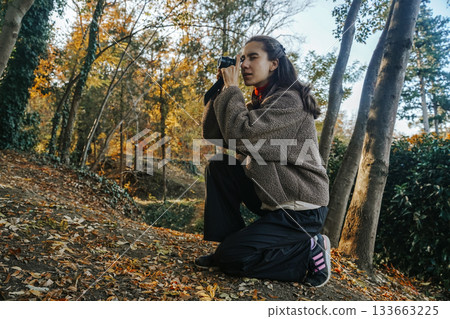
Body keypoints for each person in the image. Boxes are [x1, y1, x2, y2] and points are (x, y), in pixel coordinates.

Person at [196, 35, 331, 287]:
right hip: (274, 196)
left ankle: (308, 253)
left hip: (301, 210)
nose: (244, 64)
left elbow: (242, 134)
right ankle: (229, 241)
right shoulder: (262, 101)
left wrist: (233, 91)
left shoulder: (290, 101)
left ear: (274, 64)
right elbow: (215, 136)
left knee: (233, 259)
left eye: (253, 57)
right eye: (242, 58)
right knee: (220, 165)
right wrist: (222, 89)